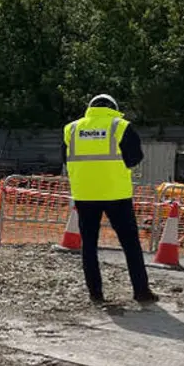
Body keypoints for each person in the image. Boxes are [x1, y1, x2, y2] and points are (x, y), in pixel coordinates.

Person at [62, 94, 158, 305]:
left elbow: (65, 157)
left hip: (85, 195)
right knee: (130, 244)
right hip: (117, 194)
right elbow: (135, 158)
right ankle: (141, 291)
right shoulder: (121, 126)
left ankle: (95, 294)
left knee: (88, 245)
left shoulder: (72, 129)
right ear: (114, 107)